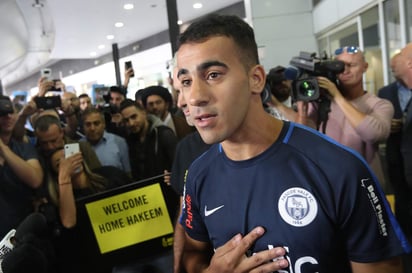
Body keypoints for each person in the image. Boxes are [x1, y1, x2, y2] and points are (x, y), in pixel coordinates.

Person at [176, 14, 410, 273]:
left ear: (256, 79)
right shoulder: (198, 175)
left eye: (213, 75)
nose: (194, 97)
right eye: (186, 81)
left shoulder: (340, 169)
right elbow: (191, 256)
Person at [0, 95, 44, 239]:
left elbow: (35, 179)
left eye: (11, 113)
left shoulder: (23, 148)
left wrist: (3, 148)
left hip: (21, 230)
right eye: (2, 114)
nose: (8, 117)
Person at [119, 99, 177, 181]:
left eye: (134, 117)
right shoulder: (131, 139)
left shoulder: (163, 134)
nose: (131, 123)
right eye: (126, 120)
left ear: (144, 113)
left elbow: (178, 165)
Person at [80, 107, 131, 176]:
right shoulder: (78, 146)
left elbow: (128, 173)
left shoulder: (119, 142)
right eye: (88, 124)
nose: (92, 128)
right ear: (83, 127)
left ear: (104, 124)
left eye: (96, 123)